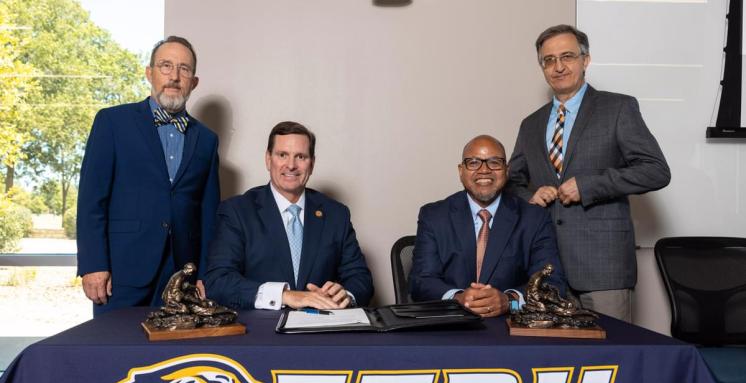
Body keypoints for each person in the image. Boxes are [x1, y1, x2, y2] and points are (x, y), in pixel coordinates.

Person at [506, 24, 670, 322]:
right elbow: (511, 182)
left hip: (603, 267)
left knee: (609, 359)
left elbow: (656, 171)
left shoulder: (618, 108)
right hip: (546, 269)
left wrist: (590, 186)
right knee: (558, 364)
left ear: (586, 60)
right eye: (549, 60)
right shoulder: (530, 124)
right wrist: (531, 195)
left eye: (567, 56)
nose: (558, 67)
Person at [77, 36, 220, 316]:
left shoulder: (206, 139)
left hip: (182, 277)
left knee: (174, 358)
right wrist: (93, 264)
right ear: (149, 73)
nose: (174, 76)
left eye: (184, 69)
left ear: (194, 82)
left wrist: (206, 273)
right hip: (121, 272)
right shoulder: (112, 122)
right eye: (165, 66)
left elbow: (208, 214)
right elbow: (92, 200)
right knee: (115, 354)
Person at [205, 121, 373, 310]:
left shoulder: (336, 214)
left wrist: (345, 295)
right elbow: (218, 281)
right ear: (268, 159)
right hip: (262, 332)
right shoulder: (237, 212)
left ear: (312, 164)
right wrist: (284, 295)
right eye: (282, 155)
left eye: (301, 156)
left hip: (321, 331)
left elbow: (361, 279)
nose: (291, 165)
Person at [409, 135, 566, 317]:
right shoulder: (434, 216)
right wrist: (457, 298)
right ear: (461, 171)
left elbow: (553, 282)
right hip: (451, 327)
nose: (484, 170)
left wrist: (510, 301)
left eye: (494, 162)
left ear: (507, 171)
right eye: (473, 162)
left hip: (510, 327)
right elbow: (421, 280)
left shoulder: (534, 218)